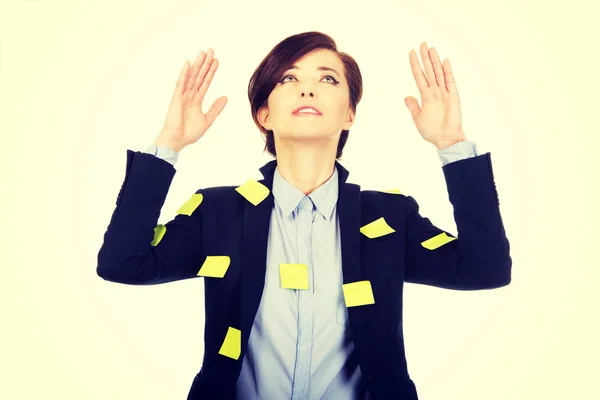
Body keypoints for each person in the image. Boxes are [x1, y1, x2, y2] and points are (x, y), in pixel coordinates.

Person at [97, 31, 512, 400]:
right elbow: (122, 264)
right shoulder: (217, 212)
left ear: (350, 113)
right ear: (264, 115)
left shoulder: (391, 217)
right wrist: (169, 144)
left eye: (328, 79)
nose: (307, 90)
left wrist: (452, 144)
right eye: (288, 79)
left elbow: (485, 269)